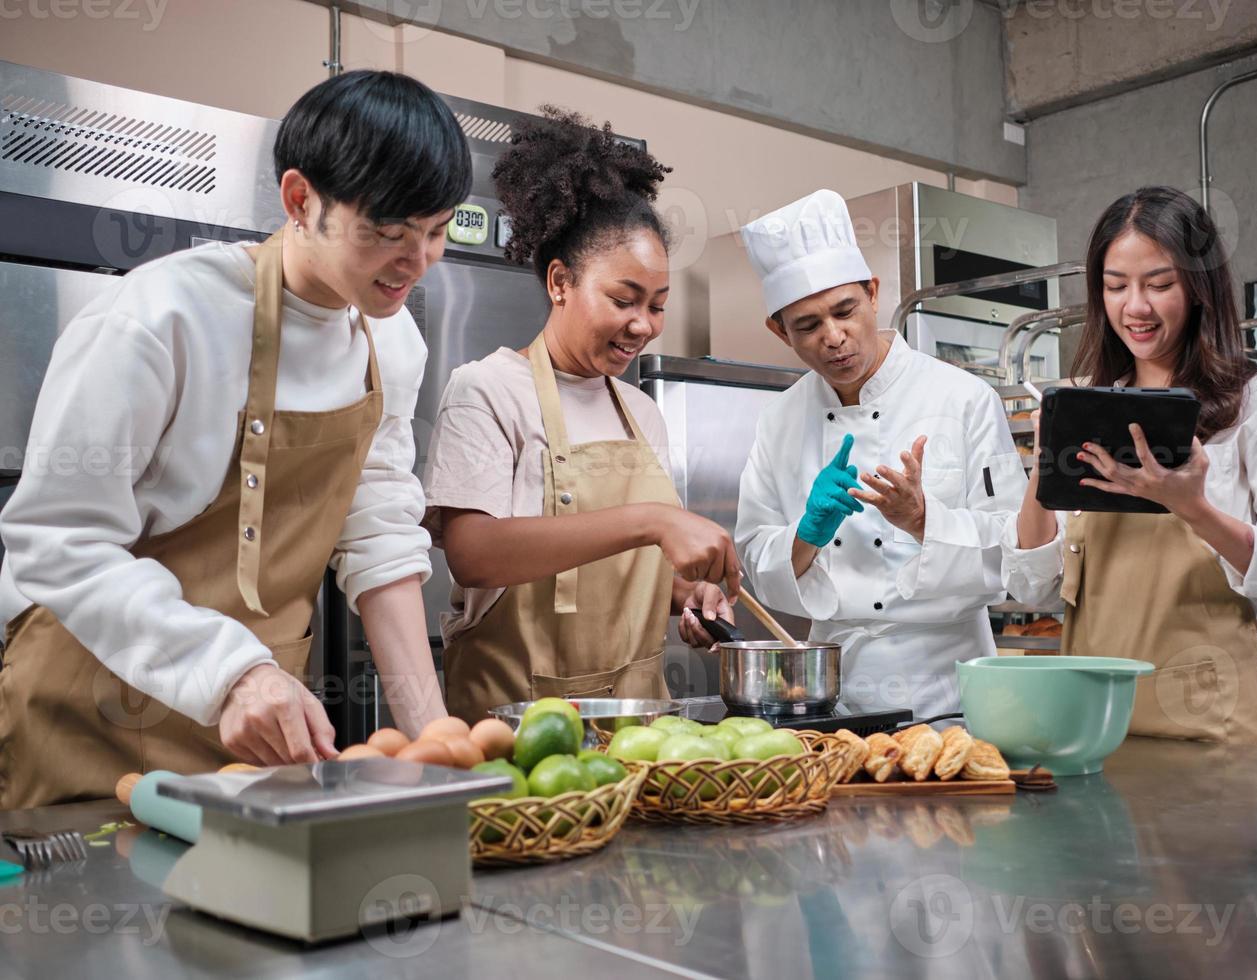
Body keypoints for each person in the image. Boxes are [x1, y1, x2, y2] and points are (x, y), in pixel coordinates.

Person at [0, 70, 463, 807]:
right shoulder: (164, 317)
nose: (417, 262)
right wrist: (234, 673)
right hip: (85, 717)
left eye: (436, 232)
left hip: (254, 737)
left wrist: (439, 740)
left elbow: (377, 536)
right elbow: (56, 540)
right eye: (387, 233)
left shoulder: (391, 343)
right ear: (299, 200)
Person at [421, 108, 738, 721]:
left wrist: (682, 597)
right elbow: (474, 553)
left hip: (640, 725)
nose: (643, 325)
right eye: (623, 299)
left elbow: (613, 577)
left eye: (657, 305)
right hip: (519, 728)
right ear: (561, 282)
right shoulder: (487, 390)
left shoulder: (642, 413)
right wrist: (650, 520)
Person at [1004, 186, 1257, 746]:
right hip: (1092, 722)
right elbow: (1033, 589)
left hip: (1213, 726)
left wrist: (1193, 509)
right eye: (1116, 287)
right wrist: (1045, 463)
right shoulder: (1087, 407)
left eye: (1159, 284)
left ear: (1200, 288)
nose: (1135, 307)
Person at [734, 189, 1027, 719]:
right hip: (833, 696)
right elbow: (754, 558)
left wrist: (921, 519)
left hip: (948, 692)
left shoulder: (963, 399)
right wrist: (806, 535)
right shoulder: (778, 421)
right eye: (808, 326)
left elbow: (1013, 553)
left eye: (845, 311)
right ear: (780, 331)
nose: (834, 338)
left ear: (872, 292)